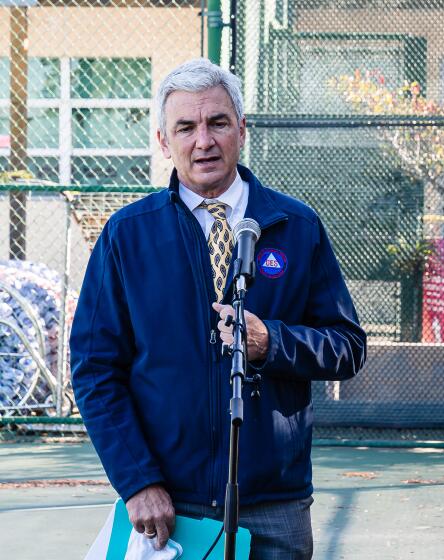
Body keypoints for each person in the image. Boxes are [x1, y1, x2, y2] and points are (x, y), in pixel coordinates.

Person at [70, 58, 366, 559]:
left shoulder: (296, 226)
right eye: (185, 127)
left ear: (241, 130)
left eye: (218, 123)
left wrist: (271, 343)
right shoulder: (128, 234)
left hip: (275, 505)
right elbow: (95, 370)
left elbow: (347, 346)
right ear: (164, 141)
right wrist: (138, 481)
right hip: (170, 507)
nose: (203, 140)